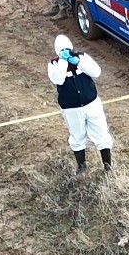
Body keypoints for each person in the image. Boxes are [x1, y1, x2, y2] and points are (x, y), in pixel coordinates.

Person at [48, 34, 113, 172]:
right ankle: (81, 166)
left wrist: (78, 63)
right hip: (72, 109)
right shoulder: (53, 65)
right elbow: (58, 80)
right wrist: (63, 61)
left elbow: (96, 72)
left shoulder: (82, 57)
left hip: (92, 104)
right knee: (77, 136)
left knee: (101, 133)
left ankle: (108, 165)